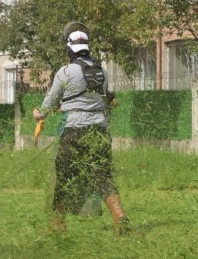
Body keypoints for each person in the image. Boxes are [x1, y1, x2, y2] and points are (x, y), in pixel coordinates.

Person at [33, 29, 129, 234]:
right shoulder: (101, 70)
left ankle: (58, 224)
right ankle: (120, 218)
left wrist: (39, 114)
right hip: (100, 129)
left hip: (75, 130)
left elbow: (50, 102)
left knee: (65, 176)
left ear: (70, 48)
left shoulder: (66, 71)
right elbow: (105, 98)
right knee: (103, 176)